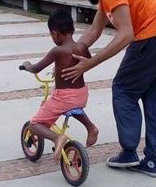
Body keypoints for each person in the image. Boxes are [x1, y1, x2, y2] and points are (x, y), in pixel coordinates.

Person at [61, 0, 156, 178]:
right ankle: (152, 161)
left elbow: (126, 34)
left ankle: (129, 152)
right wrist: (71, 54)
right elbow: (93, 32)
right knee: (152, 101)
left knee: (123, 89)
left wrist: (90, 63)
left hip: (155, 35)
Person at [20, 11, 99, 162]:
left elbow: (37, 68)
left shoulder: (58, 50)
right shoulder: (82, 46)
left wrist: (27, 65)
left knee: (35, 124)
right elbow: (87, 61)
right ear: (72, 29)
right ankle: (91, 127)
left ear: (55, 33)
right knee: (71, 106)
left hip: (64, 97)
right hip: (81, 95)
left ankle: (57, 138)